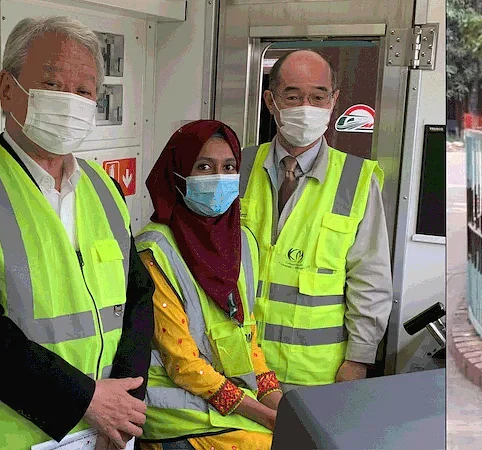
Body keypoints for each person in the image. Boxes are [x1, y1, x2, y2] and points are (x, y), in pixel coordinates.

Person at [0, 16, 154, 450]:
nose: (70, 102)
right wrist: (87, 400)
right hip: (13, 436)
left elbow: (137, 299)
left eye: (84, 92)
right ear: (6, 89)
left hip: (109, 432)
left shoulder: (105, 188)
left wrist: (126, 408)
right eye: (53, 85)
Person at [238, 49, 393, 389]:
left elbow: (371, 278)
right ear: (270, 100)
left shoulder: (357, 179)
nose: (305, 106)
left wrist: (358, 360)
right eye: (292, 96)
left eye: (318, 96)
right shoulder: (238, 166)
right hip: (238, 366)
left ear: (333, 101)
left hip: (317, 376)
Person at [135, 120, 283, 450]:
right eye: (204, 166)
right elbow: (182, 364)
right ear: (177, 176)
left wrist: (277, 403)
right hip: (175, 410)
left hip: (225, 400)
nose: (219, 177)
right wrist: (268, 417)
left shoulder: (242, 242)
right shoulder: (154, 250)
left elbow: (248, 338)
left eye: (228, 167)